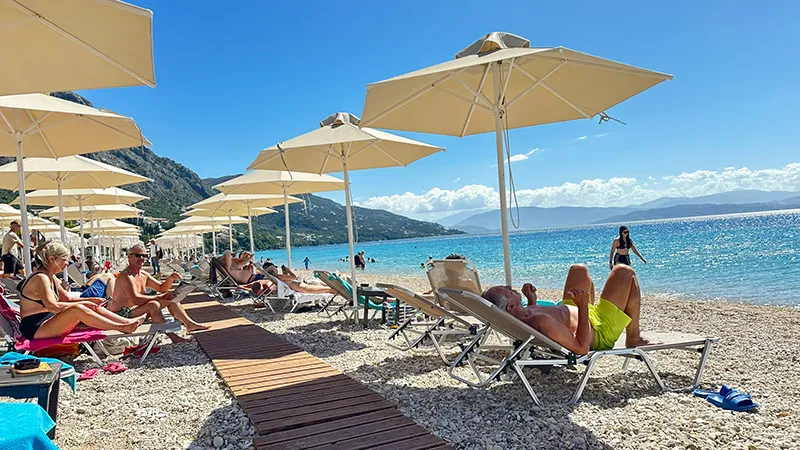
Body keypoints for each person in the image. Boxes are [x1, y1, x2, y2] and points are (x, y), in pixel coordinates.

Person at [483, 264, 658, 354]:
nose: (507, 285)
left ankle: (605, 302)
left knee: (578, 270)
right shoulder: (539, 321)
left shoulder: (522, 315)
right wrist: (583, 306)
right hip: (599, 328)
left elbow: (534, 320)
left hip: (577, 311)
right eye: (504, 289)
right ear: (511, 306)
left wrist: (532, 301)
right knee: (624, 272)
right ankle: (633, 337)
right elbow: (581, 348)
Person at [17, 242, 144, 340]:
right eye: (64, 259)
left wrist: (90, 300)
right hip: (36, 327)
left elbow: (66, 298)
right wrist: (83, 304)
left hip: (48, 321)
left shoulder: (50, 276)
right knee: (78, 309)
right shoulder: (40, 277)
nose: (67, 263)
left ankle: (126, 322)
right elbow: (53, 306)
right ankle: (121, 327)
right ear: (51, 259)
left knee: (92, 305)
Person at [110, 243, 209, 343]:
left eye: (144, 256)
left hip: (135, 310)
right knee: (153, 305)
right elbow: (136, 299)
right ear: (129, 257)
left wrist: (171, 279)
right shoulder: (127, 276)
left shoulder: (143, 274)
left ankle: (190, 324)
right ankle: (173, 337)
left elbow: (161, 288)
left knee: (170, 300)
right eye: (138, 255)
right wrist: (159, 297)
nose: (142, 258)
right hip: (121, 315)